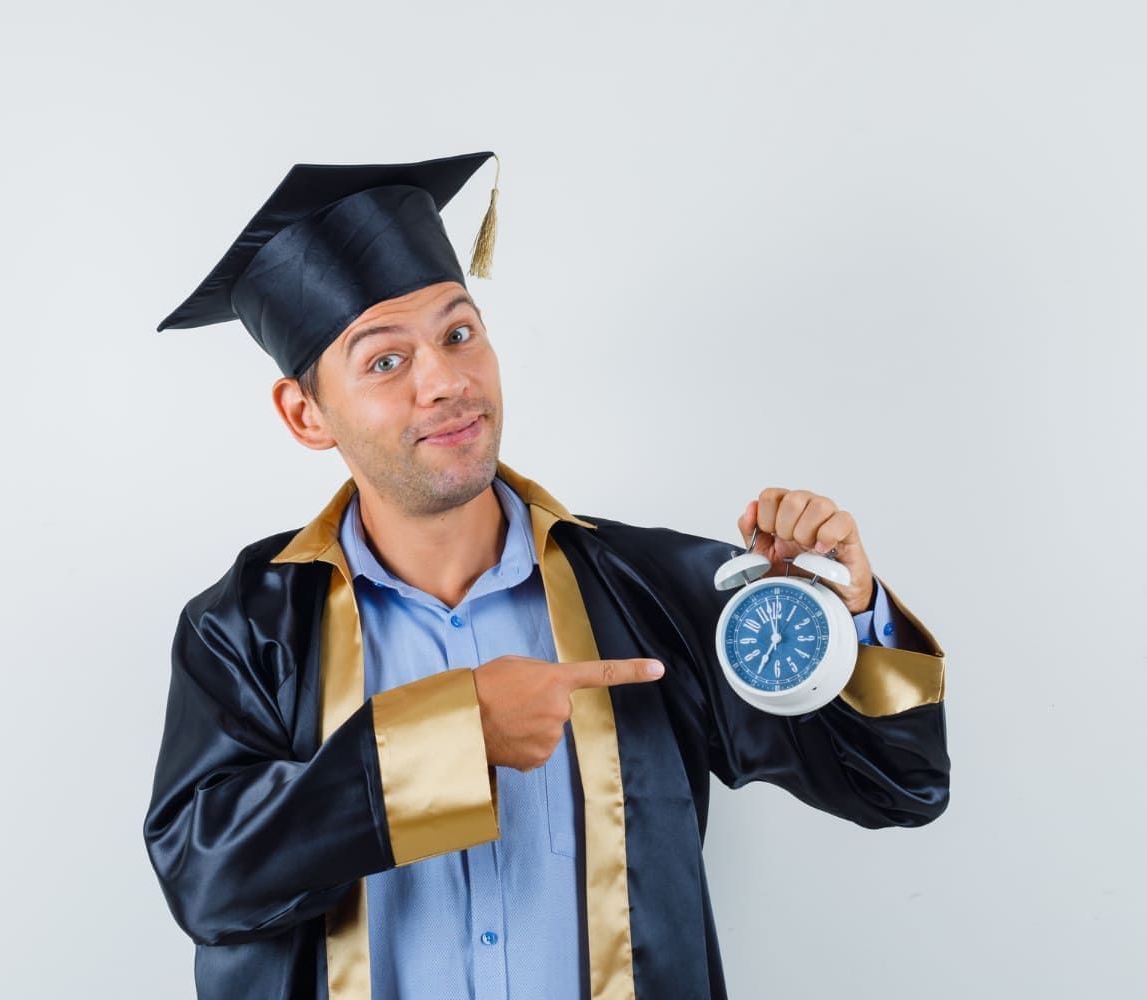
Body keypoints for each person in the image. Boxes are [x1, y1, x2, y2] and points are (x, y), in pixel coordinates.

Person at [145, 150, 949, 1000]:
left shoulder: (652, 591)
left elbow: (897, 786)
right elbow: (208, 883)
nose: (446, 383)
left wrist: (845, 617)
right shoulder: (248, 626)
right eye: (385, 362)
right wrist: (451, 741)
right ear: (306, 414)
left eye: (459, 334)